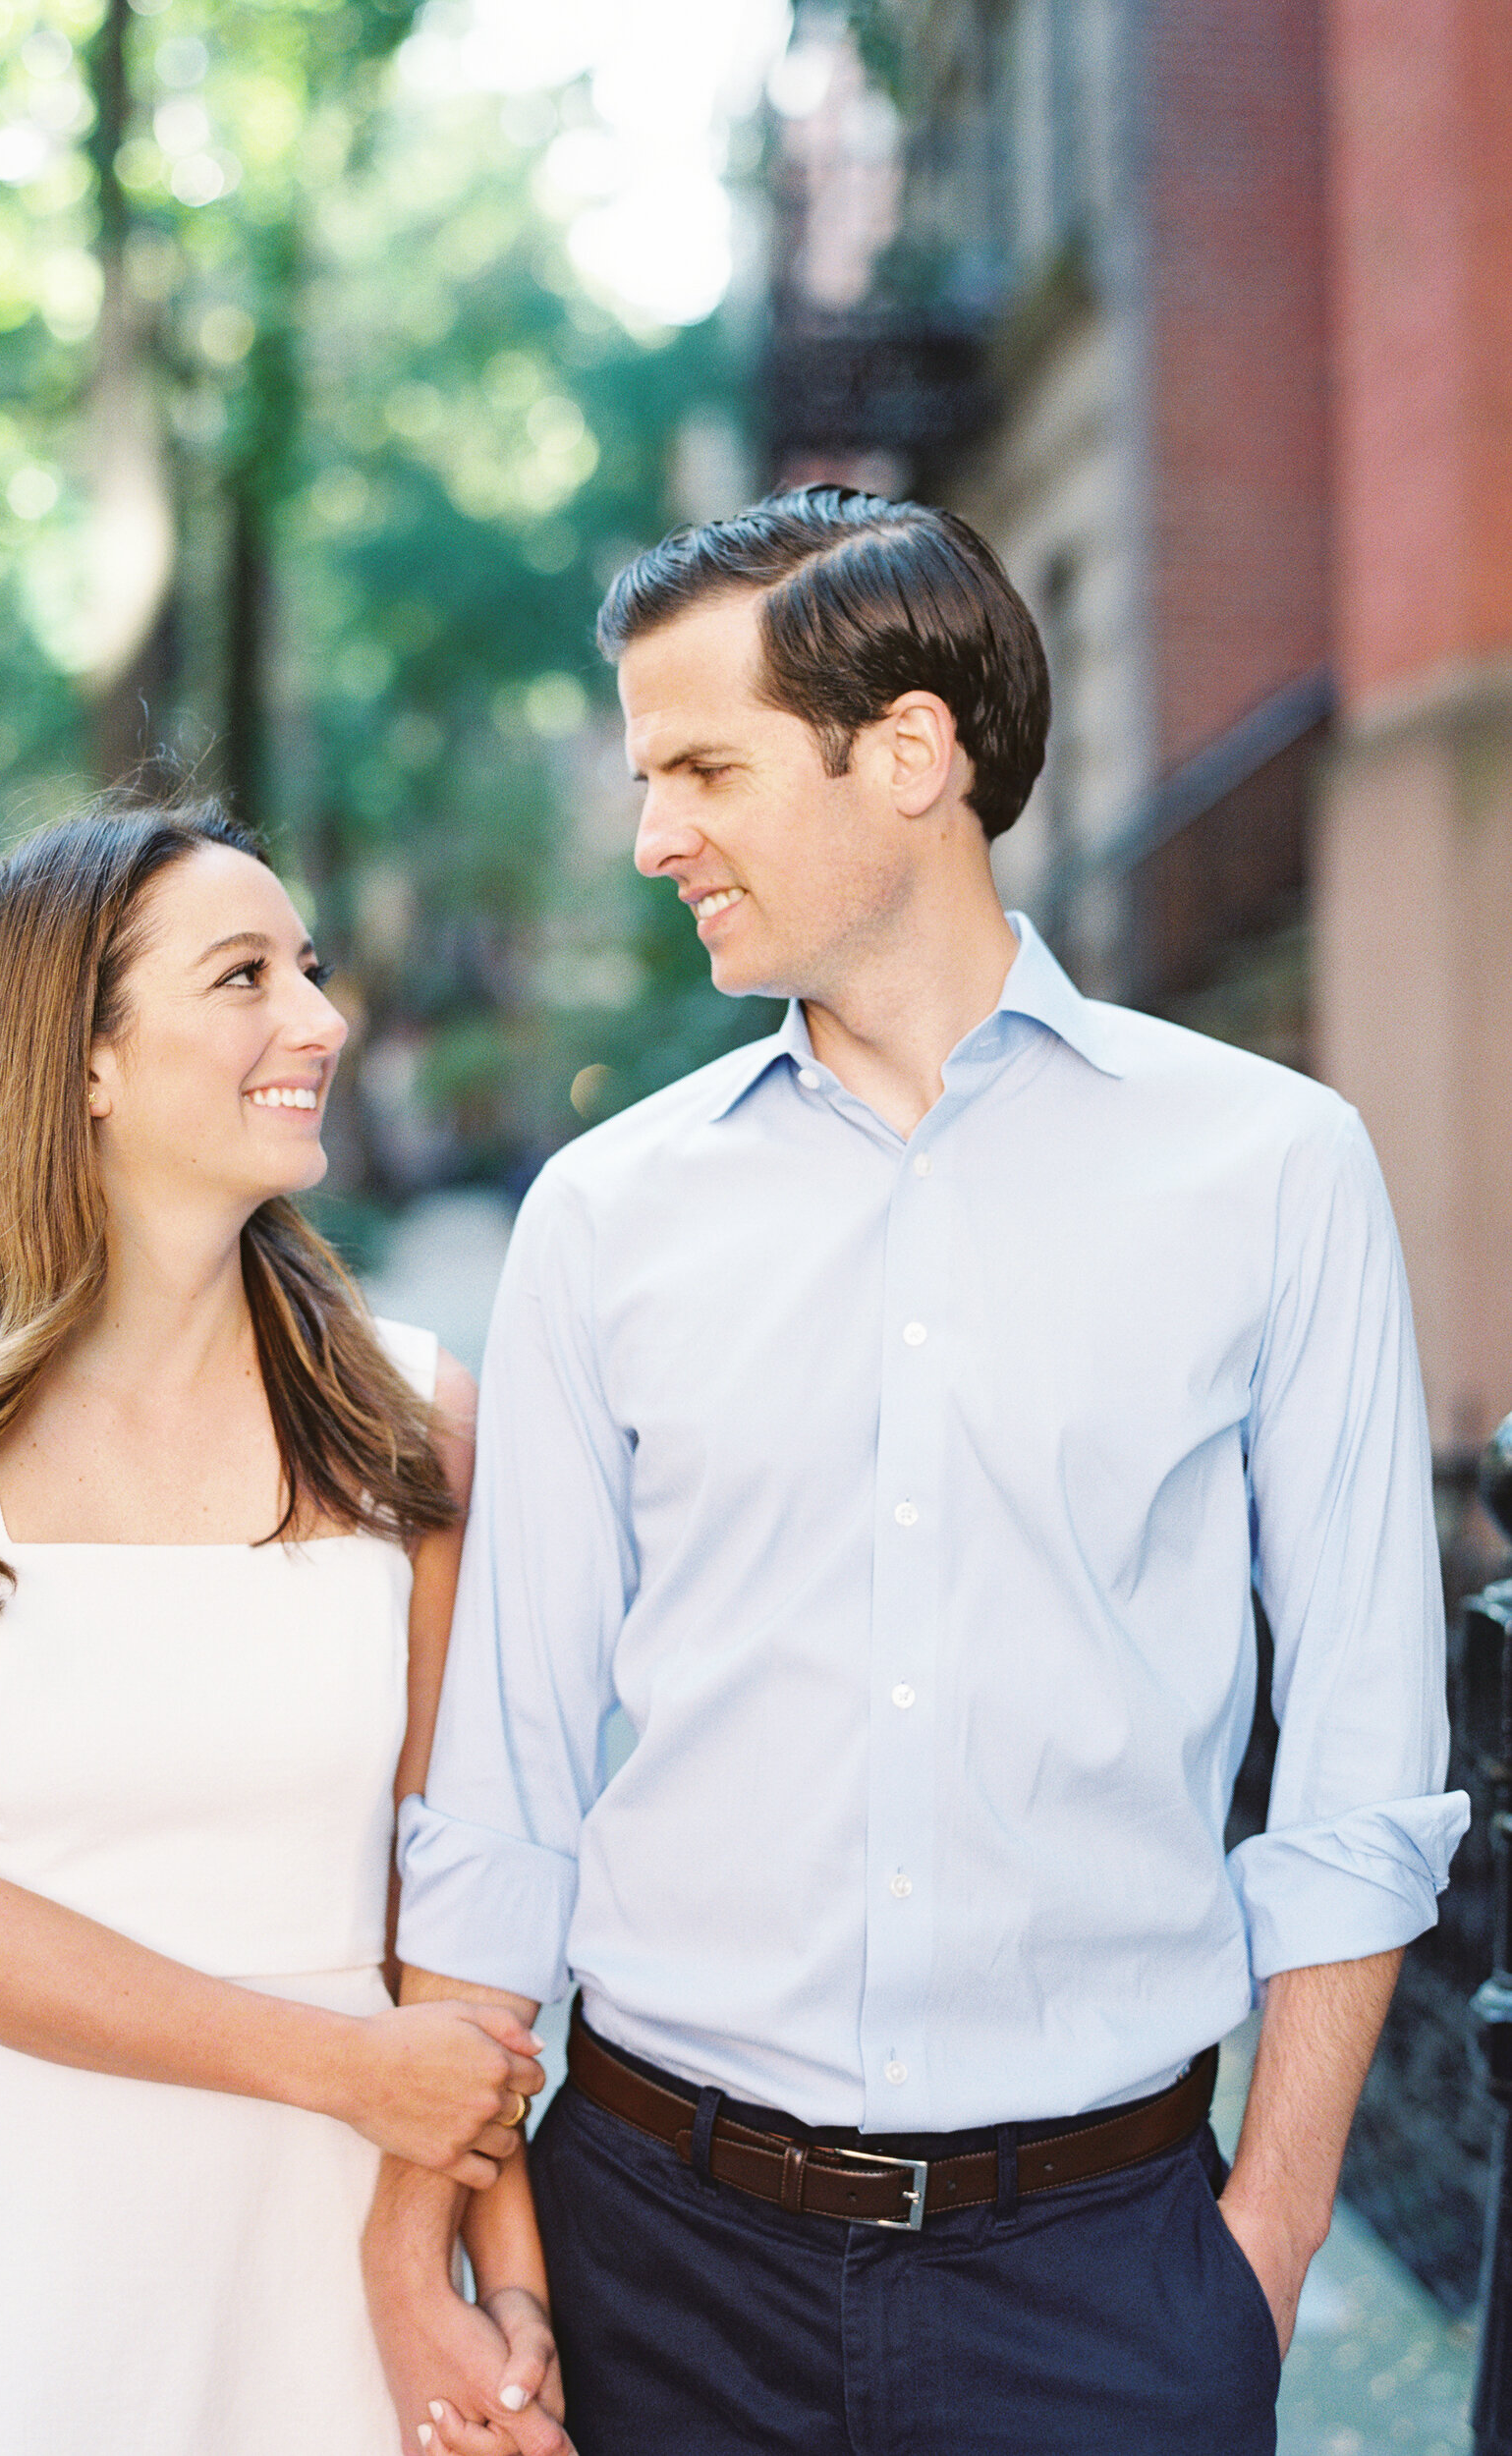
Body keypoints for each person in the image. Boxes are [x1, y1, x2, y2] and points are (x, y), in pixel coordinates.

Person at [364, 490, 1471, 2456]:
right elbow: (504, 1782)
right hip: (652, 2253)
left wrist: (1267, 2238)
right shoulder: (605, 1212)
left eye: (701, 766)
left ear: (905, 753)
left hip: (1103, 2275)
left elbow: (1361, 1762)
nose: (650, 835)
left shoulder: (1269, 1165)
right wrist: (456, 2230)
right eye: (645, 775)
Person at [0, 795, 552, 2456]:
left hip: (352, 2240)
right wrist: (341, 2066)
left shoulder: (418, 1421)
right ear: (83, 1061)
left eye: (311, 967)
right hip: (17, 2257)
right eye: (243, 977)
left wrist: (498, 2283)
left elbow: (464, 1887)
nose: (320, 1019)